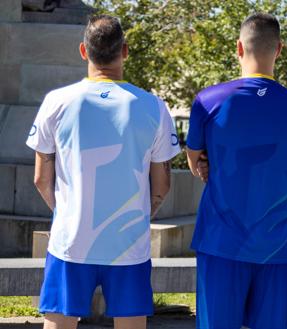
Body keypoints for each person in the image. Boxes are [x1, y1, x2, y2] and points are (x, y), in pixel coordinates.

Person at [26, 14, 180, 329]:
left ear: (84, 51)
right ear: (124, 50)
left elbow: (41, 178)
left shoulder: (56, 102)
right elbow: (162, 185)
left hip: (71, 239)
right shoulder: (154, 107)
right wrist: (139, 215)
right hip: (129, 242)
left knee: (60, 321)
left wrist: (68, 213)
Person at [186, 13, 287, 329]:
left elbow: (194, 161)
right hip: (276, 247)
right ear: (279, 49)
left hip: (221, 243)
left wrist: (206, 163)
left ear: (239, 48)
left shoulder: (208, 101)